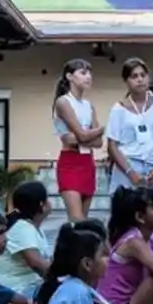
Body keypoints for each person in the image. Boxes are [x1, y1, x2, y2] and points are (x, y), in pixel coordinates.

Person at [106, 57, 153, 247]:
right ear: (127, 81)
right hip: (127, 169)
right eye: (134, 76)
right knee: (125, 225)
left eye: (142, 75)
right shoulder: (118, 109)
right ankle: (120, 268)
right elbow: (112, 145)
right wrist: (131, 173)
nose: (139, 80)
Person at [52, 58, 103, 221]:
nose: (88, 77)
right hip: (70, 162)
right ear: (69, 76)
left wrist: (83, 137)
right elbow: (82, 135)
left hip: (87, 161)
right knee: (76, 219)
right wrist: (102, 129)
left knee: (84, 219)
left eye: (89, 73)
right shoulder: (63, 102)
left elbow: (98, 142)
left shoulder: (89, 105)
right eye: (83, 73)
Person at [0, 180, 54, 296]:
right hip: (17, 289)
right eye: (47, 199)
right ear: (41, 205)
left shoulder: (32, 228)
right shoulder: (22, 228)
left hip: (28, 286)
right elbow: (37, 264)